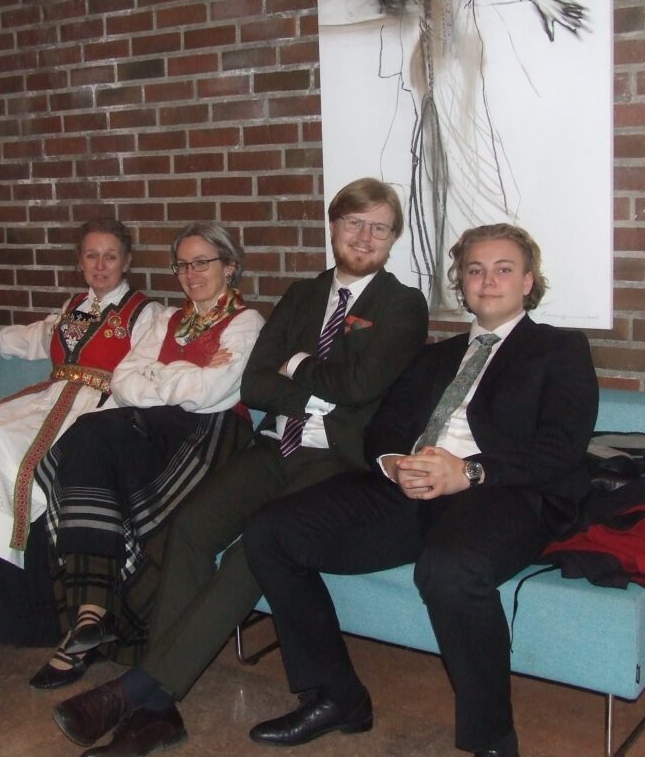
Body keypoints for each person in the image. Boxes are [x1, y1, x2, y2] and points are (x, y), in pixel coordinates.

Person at [49, 177, 430, 756]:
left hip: (336, 459)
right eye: (354, 223)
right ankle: (157, 703)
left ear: (393, 237)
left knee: (257, 545)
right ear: (334, 227)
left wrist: (294, 365)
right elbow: (255, 383)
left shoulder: (403, 305)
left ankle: (145, 696)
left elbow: (361, 385)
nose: (364, 236)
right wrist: (316, 386)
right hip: (273, 446)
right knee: (190, 528)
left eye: (379, 227)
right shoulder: (302, 295)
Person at [242, 223, 599, 757]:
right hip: (409, 486)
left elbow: (562, 446)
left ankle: (492, 741)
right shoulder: (436, 354)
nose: (488, 280)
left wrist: (468, 471)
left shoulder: (559, 349)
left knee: (450, 569)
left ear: (528, 282)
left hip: (502, 493)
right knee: (271, 530)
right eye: (475, 270)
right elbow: (384, 425)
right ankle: (335, 697)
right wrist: (393, 463)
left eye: (503, 269)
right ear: (462, 284)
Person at [29, 222, 265, 690]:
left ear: (230, 267)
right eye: (182, 265)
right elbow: (122, 381)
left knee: (97, 454)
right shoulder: (167, 319)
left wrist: (157, 372)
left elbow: (212, 394)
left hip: (212, 436)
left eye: (203, 263)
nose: (191, 274)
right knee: (85, 438)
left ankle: (95, 621)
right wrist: (183, 372)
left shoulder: (247, 322)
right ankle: (91, 615)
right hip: (155, 426)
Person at [0, 219, 162, 641]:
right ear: (80, 262)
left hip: (99, 409)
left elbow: (147, 370)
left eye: (110, 256)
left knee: (32, 465)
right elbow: (36, 336)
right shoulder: (74, 306)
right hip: (52, 397)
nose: (100, 265)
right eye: (91, 255)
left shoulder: (145, 313)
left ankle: (20, 604)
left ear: (127, 261)